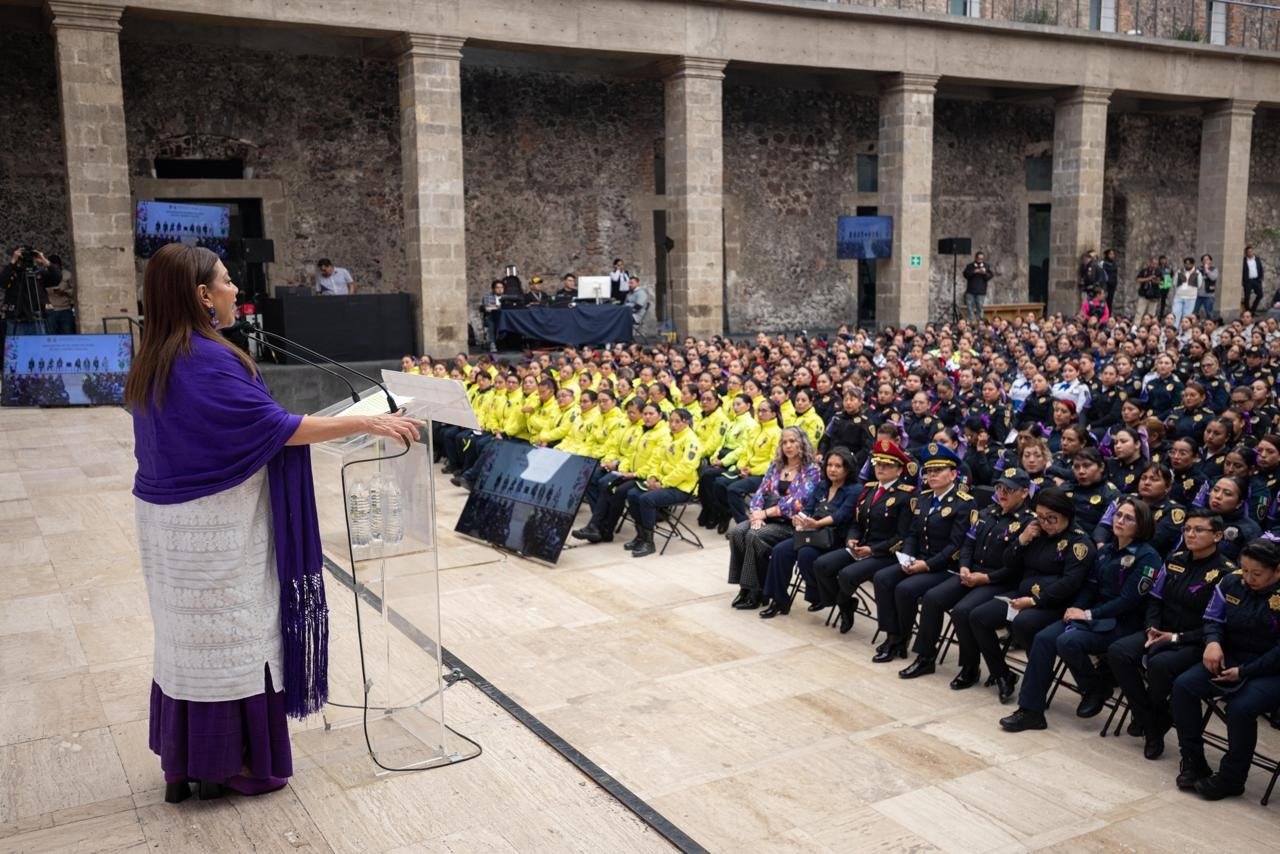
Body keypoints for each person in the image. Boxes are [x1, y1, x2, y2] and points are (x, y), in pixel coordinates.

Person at [126, 243, 422, 803]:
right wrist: (369, 423)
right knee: (237, 638)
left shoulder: (157, 354)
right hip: (218, 531)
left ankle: (188, 761)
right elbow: (273, 428)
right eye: (227, 280)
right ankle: (237, 762)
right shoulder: (207, 357)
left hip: (170, 531)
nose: (236, 289)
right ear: (201, 296)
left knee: (189, 642)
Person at [999, 496, 1156, 732]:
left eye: (1128, 518)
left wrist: (1089, 614)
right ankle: (1031, 711)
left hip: (1121, 622)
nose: (1120, 520)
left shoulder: (1148, 557)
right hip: (1092, 615)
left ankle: (1095, 687)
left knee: (1067, 641)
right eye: (1118, 515)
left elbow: (1128, 601)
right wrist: (1076, 610)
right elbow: (1090, 586)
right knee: (1043, 638)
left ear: (1141, 524)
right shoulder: (1108, 550)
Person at [1107, 507, 1232, 760]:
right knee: (1118, 652)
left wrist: (1176, 638)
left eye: (1198, 530)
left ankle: (1150, 722)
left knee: (1160, 664)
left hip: (1194, 641)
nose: (1191, 534)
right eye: (1187, 529)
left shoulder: (1227, 573)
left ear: (1217, 536)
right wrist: (1151, 628)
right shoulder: (1175, 559)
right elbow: (1154, 600)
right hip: (1159, 631)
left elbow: (1218, 624)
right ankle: (1154, 721)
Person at [1170, 537, 1280, 800]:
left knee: (1241, 708)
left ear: (1277, 571)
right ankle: (1193, 760)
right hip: (1230, 654)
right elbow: (1213, 618)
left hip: (1270, 668)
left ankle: (1232, 778)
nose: (1248, 578)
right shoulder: (1232, 581)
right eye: (1245, 570)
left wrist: (1245, 672)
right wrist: (1213, 643)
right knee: (1183, 687)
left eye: (1257, 574)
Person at [966, 487, 1094, 705]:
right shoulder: (1035, 532)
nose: (1045, 523)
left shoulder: (1079, 543)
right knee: (978, 616)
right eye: (1041, 517)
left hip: (1052, 604)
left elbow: (1069, 583)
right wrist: (1021, 540)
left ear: (1066, 514)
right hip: (1022, 595)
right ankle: (1002, 674)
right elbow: (1009, 563)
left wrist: (1034, 601)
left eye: (1051, 518)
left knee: (1023, 624)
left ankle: (1038, 677)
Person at [912, 467, 1034, 687]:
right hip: (971, 572)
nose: (1002, 493)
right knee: (932, 598)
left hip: (998, 580)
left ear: (1024, 493)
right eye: (999, 487)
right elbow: (968, 544)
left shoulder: (1028, 523)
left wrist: (985, 579)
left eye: (1009, 489)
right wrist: (965, 567)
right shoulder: (988, 512)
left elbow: (1017, 567)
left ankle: (971, 668)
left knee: (963, 612)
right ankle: (925, 657)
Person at [870, 442, 974, 664]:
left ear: (954, 474)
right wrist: (907, 557)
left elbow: (955, 546)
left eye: (939, 470)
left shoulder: (963, 503)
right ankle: (893, 635)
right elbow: (912, 534)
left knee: (905, 589)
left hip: (944, 566)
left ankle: (916, 649)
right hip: (919, 559)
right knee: (882, 578)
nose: (932, 475)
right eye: (929, 471)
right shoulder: (924, 498)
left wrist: (925, 565)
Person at [812, 438, 916, 634]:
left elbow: (903, 536)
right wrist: (852, 538)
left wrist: (872, 549)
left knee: (847, 575)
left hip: (884, 553)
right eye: (878, 464)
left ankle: (843, 603)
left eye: (887, 465)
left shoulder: (906, 496)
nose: (881, 468)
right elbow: (856, 523)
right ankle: (846, 604)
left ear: (899, 469)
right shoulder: (869, 489)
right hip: (861, 546)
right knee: (821, 565)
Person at [759, 447, 860, 618]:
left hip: (834, 537)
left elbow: (842, 515)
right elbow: (808, 508)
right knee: (780, 551)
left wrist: (816, 523)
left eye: (838, 466)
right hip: (812, 533)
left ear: (848, 469)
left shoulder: (855, 489)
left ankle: (828, 598)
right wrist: (799, 519)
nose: (832, 469)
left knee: (806, 554)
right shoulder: (822, 485)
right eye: (829, 465)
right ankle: (778, 600)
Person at [727, 427, 821, 609]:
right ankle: (745, 587)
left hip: (790, 523)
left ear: (802, 443)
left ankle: (757, 590)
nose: (788, 446)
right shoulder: (775, 466)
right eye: (784, 442)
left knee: (754, 536)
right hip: (765, 518)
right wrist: (755, 514)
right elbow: (761, 492)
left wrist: (765, 513)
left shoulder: (811, 470)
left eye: (792, 441)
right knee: (738, 531)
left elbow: (797, 502)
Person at [625, 407, 701, 558]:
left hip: (682, 487)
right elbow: (656, 460)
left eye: (677, 421)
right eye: (671, 421)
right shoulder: (669, 437)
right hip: (662, 482)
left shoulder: (691, 441)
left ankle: (649, 542)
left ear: (686, 423)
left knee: (646, 499)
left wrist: (663, 483)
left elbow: (685, 468)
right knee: (632, 494)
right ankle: (640, 536)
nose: (673, 425)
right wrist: (652, 477)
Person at [2, 245, 62, 335]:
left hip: (37, 318)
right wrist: (13, 261)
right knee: (16, 348)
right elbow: (2, 282)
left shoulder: (39, 273)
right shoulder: (13, 273)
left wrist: (44, 260)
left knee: (39, 347)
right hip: (16, 319)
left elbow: (57, 278)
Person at [42, 254, 75, 334]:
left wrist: (64, 292)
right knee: (51, 335)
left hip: (65, 310)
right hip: (50, 311)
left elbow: (75, 292)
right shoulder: (44, 275)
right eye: (52, 265)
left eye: (56, 265)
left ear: (60, 264)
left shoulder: (67, 274)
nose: (55, 267)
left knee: (68, 334)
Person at [962, 252, 994, 324]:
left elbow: (990, 276)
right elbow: (965, 274)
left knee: (980, 308)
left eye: (982, 259)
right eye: (979, 258)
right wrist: (974, 272)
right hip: (971, 290)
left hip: (981, 291)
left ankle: (980, 323)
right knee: (970, 308)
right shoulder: (970, 266)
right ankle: (970, 322)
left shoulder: (986, 266)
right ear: (975, 258)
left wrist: (984, 273)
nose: (980, 260)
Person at [1171, 256, 1201, 325]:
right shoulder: (1179, 272)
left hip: (1191, 297)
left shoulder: (1198, 273)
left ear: (1193, 264)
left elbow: (1199, 285)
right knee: (1175, 313)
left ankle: (1183, 330)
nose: (1187, 265)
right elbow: (1175, 283)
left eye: (1189, 264)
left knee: (1186, 316)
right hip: (1179, 296)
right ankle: (1175, 329)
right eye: (1186, 263)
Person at [482, 278, 504, 353]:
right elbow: (488, 308)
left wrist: (496, 306)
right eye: (497, 288)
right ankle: (492, 343)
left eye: (501, 287)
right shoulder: (487, 296)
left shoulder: (506, 296)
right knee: (491, 321)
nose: (500, 289)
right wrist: (499, 306)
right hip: (491, 317)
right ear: (493, 289)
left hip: (503, 317)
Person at [1243, 245, 1265, 314]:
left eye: (1251, 251)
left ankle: (1253, 310)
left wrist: (1261, 278)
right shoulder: (1244, 260)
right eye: (1248, 252)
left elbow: (1261, 269)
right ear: (1246, 253)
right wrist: (1243, 281)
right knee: (1247, 297)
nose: (1250, 253)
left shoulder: (1257, 259)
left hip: (1256, 280)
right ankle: (1248, 311)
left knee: (1260, 295)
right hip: (1248, 281)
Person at [1196, 253, 1218, 319]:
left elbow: (1213, 278)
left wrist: (1207, 270)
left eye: (1207, 259)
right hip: (1198, 295)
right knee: (1194, 312)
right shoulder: (1198, 269)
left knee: (1209, 313)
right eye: (1204, 259)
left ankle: (1209, 325)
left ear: (1210, 261)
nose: (1205, 261)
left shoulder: (1214, 269)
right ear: (1202, 261)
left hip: (1209, 295)